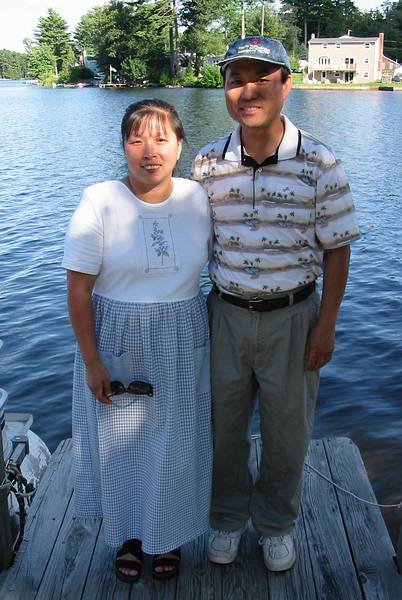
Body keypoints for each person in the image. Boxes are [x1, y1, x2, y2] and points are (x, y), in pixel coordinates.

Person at [192, 36, 360, 571]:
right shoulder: (206, 164)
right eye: (236, 79)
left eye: (262, 78)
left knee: (289, 432)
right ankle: (224, 520)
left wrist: (326, 325)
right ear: (225, 89)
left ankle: (275, 524)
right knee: (223, 427)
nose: (248, 90)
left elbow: (338, 249)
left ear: (286, 86)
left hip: (295, 316)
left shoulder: (319, 162)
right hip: (226, 315)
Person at [63, 99, 212, 583]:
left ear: (180, 145)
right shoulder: (99, 199)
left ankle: (168, 536)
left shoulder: (198, 198)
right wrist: (91, 361)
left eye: (161, 138)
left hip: (183, 330)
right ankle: (129, 535)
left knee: (176, 441)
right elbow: (78, 289)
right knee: (119, 443)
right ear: (123, 146)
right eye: (136, 139)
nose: (150, 151)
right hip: (116, 333)